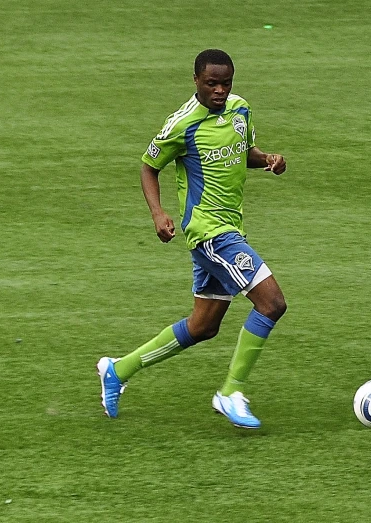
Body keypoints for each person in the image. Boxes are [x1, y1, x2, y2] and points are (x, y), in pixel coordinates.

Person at [97, 49, 287, 429]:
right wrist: (158, 213)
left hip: (230, 228)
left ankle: (118, 370)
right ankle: (231, 392)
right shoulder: (181, 125)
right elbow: (149, 166)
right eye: (211, 83)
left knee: (203, 327)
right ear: (196, 81)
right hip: (210, 234)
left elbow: (241, 152)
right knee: (271, 303)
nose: (220, 90)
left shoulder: (241, 110)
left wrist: (267, 159)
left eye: (226, 83)